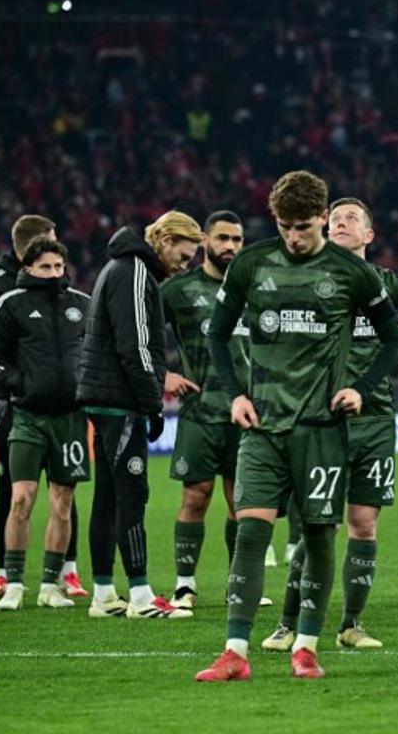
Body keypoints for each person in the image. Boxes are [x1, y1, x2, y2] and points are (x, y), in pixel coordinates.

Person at [194, 171, 398, 682]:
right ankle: (234, 653)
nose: (295, 237)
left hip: (321, 428)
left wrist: (361, 385)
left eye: (305, 227)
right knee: (250, 531)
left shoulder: (352, 273)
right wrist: (236, 394)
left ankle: (307, 646)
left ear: (323, 217)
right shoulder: (250, 264)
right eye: (286, 227)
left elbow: (393, 338)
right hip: (263, 425)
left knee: (317, 533)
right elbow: (218, 336)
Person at [262, 197, 398, 651]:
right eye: (334, 219)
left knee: (364, 525)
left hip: (376, 421)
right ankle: (287, 624)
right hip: (320, 421)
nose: (340, 222)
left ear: (369, 235)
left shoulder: (389, 284)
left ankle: (352, 624)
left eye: (351, 218)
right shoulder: (307, 278)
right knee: (317, 525)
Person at [76, 210, 202, 620]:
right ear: (164, 240)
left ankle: (103, 595)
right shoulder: (134, 271)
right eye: (183, 257)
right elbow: (138, 347)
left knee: (108, 497)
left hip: (105, 396)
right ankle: (142, 597)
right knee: (132, 494)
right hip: (119, 399)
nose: (183, 265)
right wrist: (152, 404)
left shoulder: (124, 266)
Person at [0, 215, 87, 601]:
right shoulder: (9, 301)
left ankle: (53, 583)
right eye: (46, 267)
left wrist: (86, 388)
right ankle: (12, 581)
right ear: (28, 266)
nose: (54, 273)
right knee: (19, 496)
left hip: (71, 419)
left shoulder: (81, 305)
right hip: (25, 414)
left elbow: (97, 351)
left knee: (64, 501)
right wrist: (18, 385)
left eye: (59, 266)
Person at [161, 211, 261, 609]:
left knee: (243, 501)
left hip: (249, 414)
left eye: (237, 240)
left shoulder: (257, 289)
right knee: (196, 496)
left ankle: (240, 584)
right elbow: (140, 331)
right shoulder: (179, 290)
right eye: (223, 238)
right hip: (200, 412)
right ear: (205, 240)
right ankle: (185, 584)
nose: (231, 247)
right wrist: (161, 373)